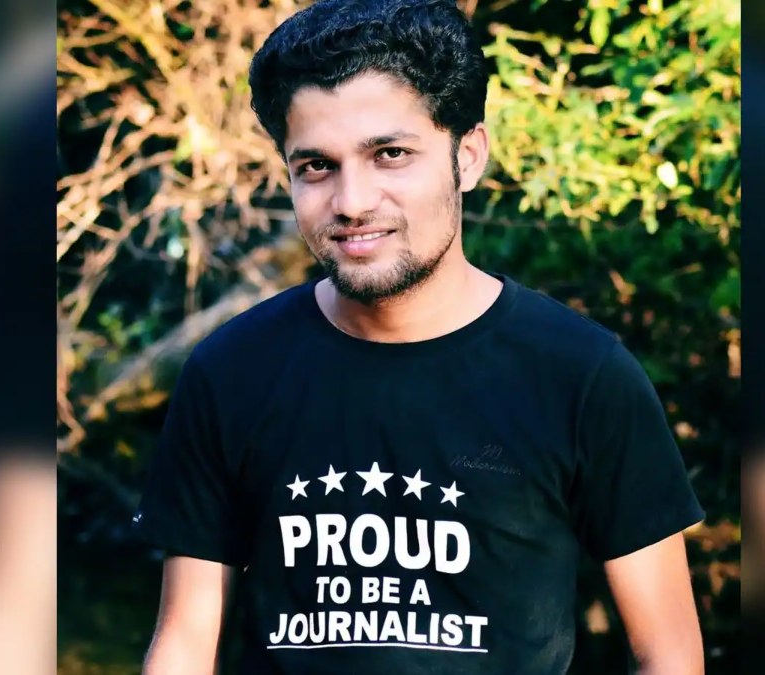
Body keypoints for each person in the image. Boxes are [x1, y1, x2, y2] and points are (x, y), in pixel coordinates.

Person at [134, 1, 704, 673]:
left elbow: (668, 651)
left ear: (468, 157)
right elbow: (185, 640)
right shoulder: (231, 372)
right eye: (316, 166)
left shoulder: (582, 375)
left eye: (391, 155)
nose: (352, 201)